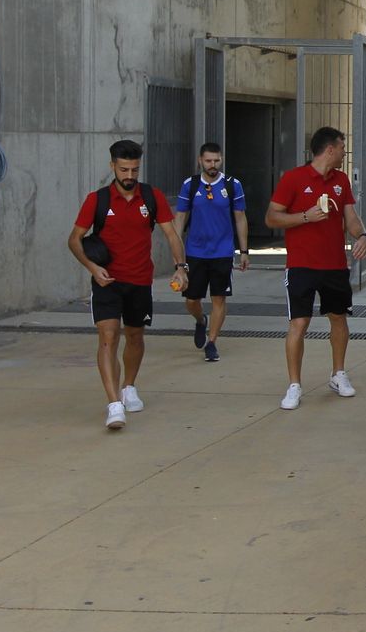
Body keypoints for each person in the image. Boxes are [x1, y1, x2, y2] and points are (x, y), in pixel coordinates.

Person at [65, 139, 188, 431]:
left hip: (140, 280)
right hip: (107, 281)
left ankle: (129, 386)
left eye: (134, 169)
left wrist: (181, 268)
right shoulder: (98, 200)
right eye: (124, 170)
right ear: (112, 167)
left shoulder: (151, 196)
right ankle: (113, 404)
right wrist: (93, 268)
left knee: (135, 336)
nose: (129, 176)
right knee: (108, 338)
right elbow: (74, 239)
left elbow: (171, 234)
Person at [266, 126, 366, 409]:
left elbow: (350, 217)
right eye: (342, 147)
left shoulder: (341, 180)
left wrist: (362, 235)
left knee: (338, 318)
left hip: (335, 265)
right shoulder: (294, 179)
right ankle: (294, 385)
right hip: (301, 265)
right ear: (329, 150)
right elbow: (271, 217)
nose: (344, 152)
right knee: (299, 323)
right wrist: (304, 216)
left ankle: (338, 374)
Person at [172, 142, 249, 363]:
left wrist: (243, 250)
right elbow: (180, 219)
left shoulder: (233, 185)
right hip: (195, 252)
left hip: (222, 252)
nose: (212, 165)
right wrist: (178, 254)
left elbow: (240, 217)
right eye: (208, 161)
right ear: (200, 161)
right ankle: (200, 320)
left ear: (221, 160)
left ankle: (212, 342)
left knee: (219, 298)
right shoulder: (191, 185)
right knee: (191, 299)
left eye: (216, 160)